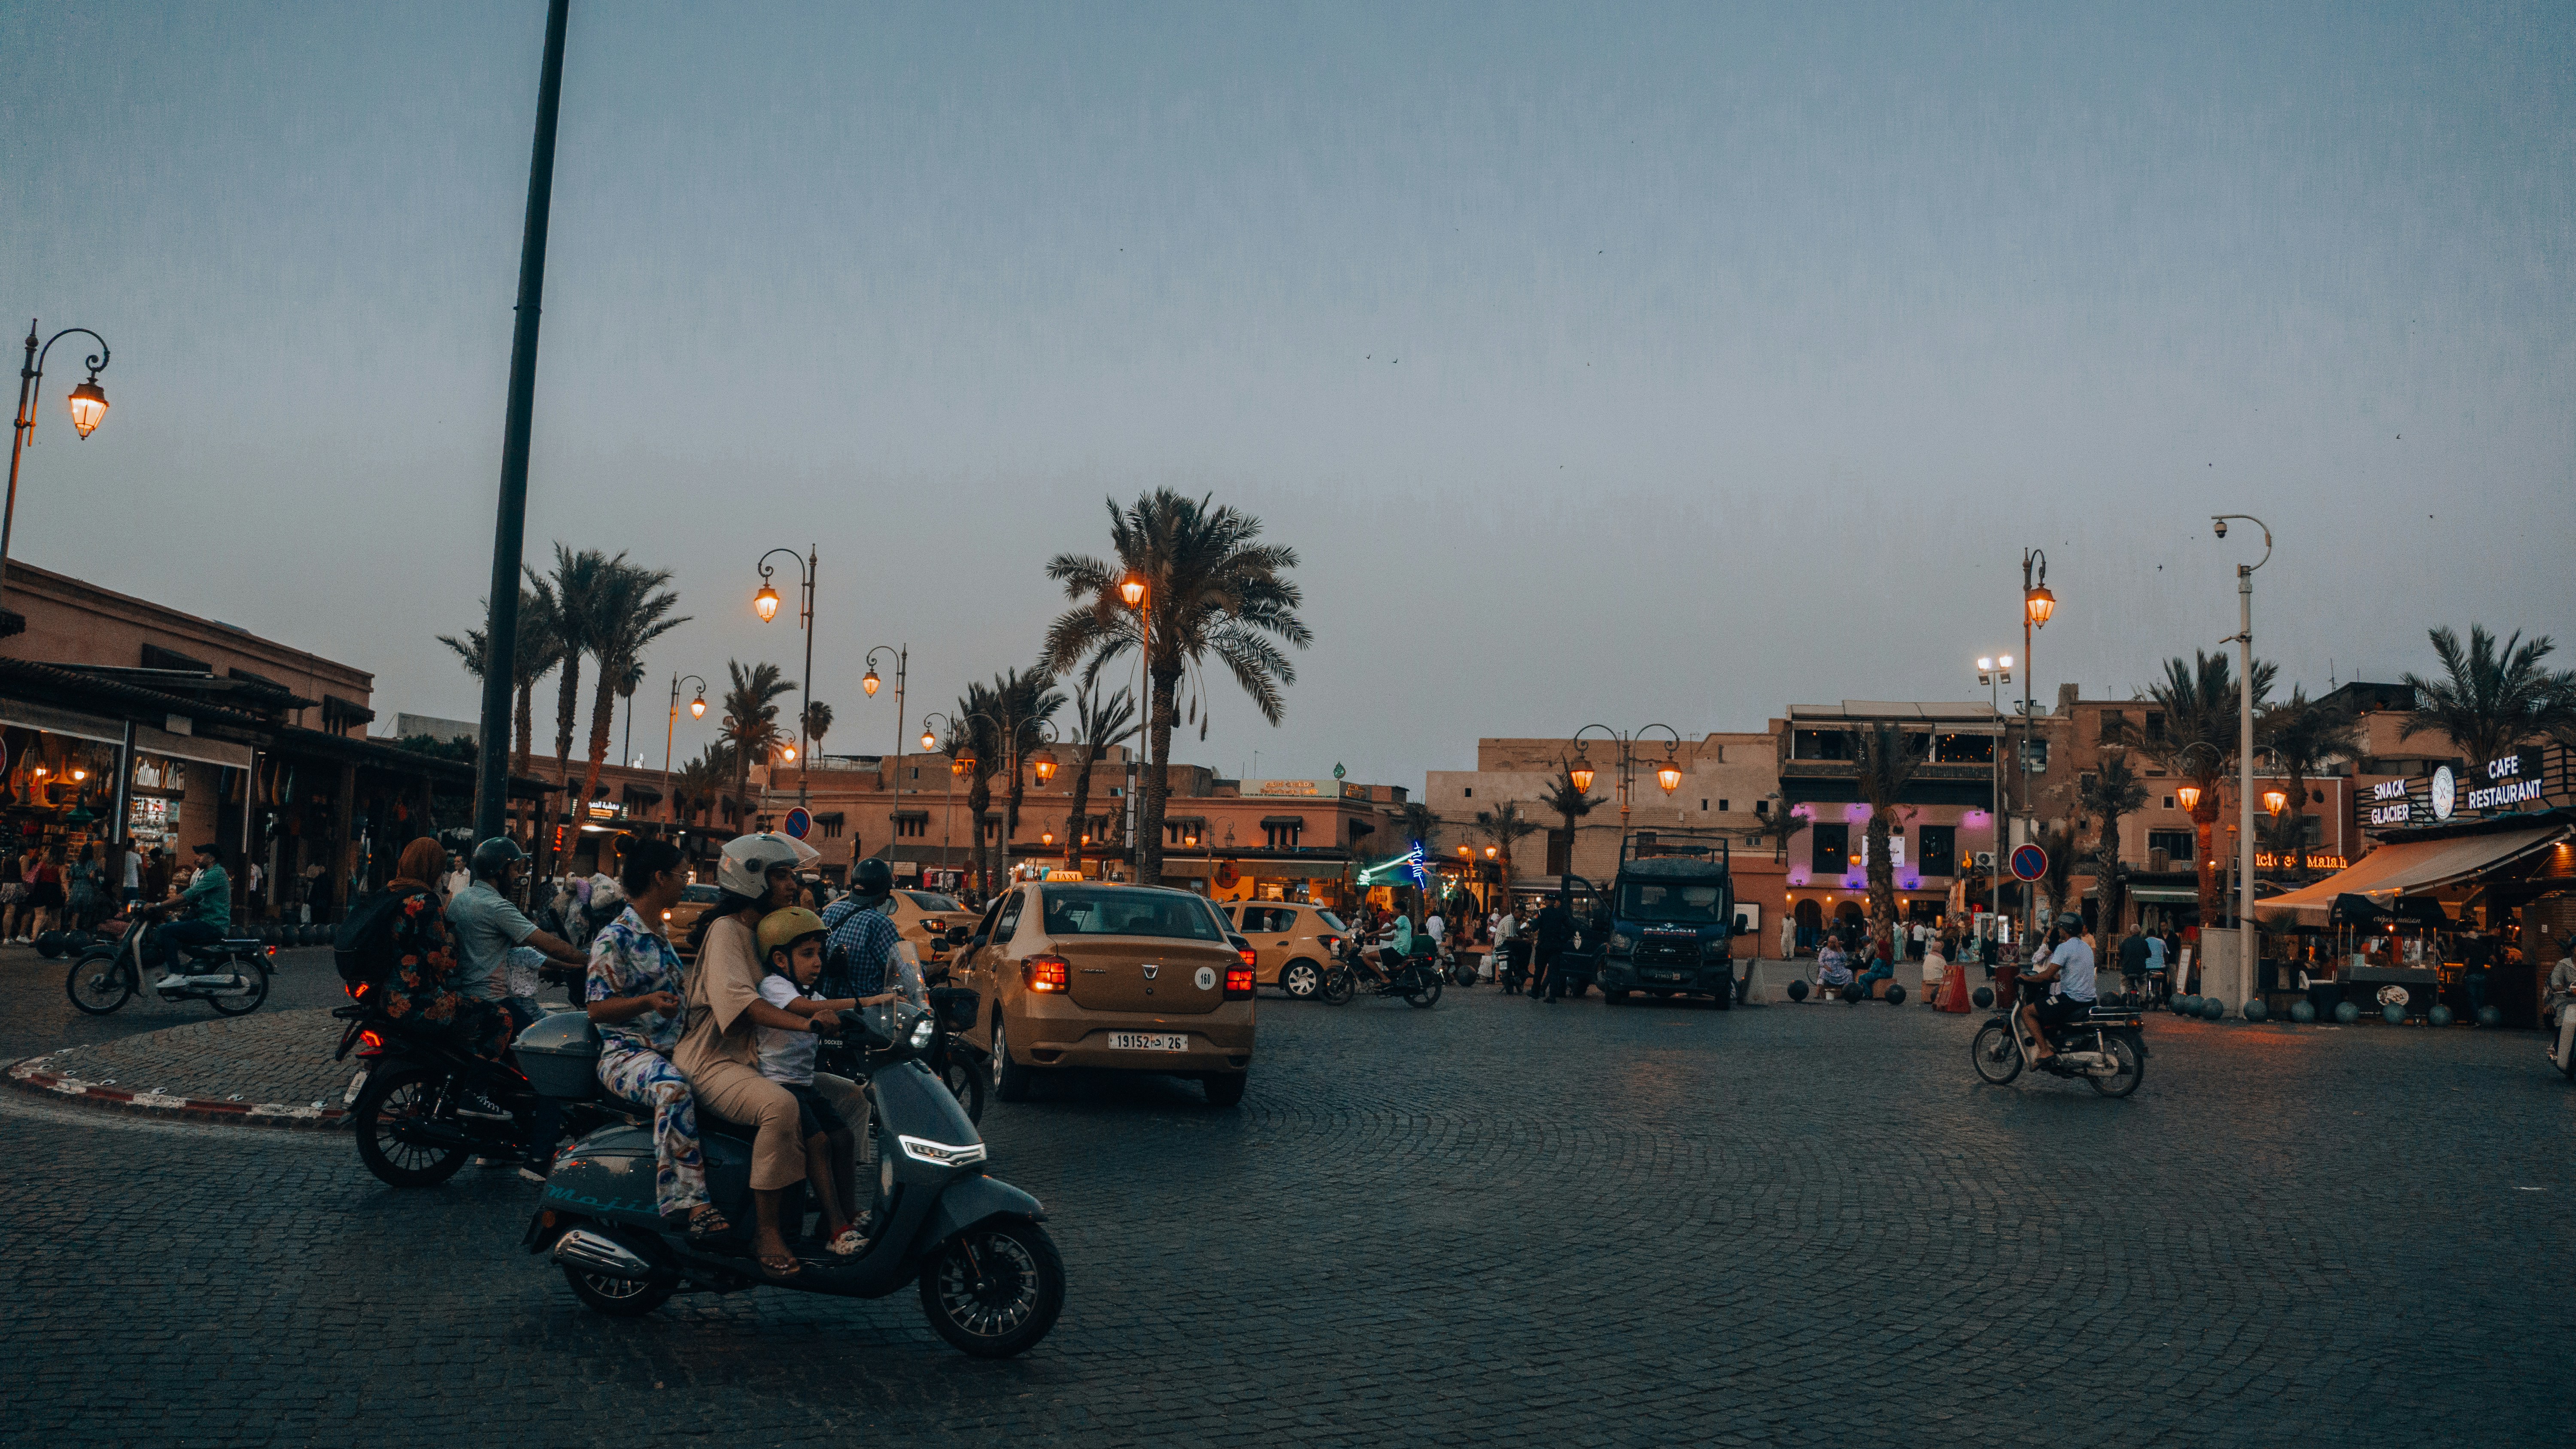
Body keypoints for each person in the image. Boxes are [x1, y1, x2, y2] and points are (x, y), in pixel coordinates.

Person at [674, 832, 833, 1281]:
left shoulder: (763, 931)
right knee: (780, 1106)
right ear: (749, 881)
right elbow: (743, 1005)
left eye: (791, 875)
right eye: (779, 876)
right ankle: (767, 1232)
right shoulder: (728, 931)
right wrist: (807, 1024)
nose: (790, 884)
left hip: (755, 1056)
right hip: (713, 1060)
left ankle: (835, 1215)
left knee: (851, 1100)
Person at [588, 837, 723, 1234]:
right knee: (674, 1090)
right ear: (659, 878)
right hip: (626, 1054)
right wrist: (648, 1001)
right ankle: (690, 1202)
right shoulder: (615, 938)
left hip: (672, 1048)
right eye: (683, 876)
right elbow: (597, 1009)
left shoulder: (659, 932)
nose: (686, 883)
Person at [754, 905, 894, 1257]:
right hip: (779, 1085)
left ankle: (849, 1211)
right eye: (807, 954)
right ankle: (836, 1228)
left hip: (804, 1085)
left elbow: (830, 1010)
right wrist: (868, 1000)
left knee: (843, 1138)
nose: (818, 962)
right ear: (781, 960)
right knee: (818, 1143)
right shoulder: (775, 987)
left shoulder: (809, 992)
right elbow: (803, 1010)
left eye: (820, 954)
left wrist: (872, 1018)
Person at [378, 837, 513, 1062]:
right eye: (440, 870)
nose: (441, 877)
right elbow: (440, 960)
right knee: (502, 1018)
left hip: (388, 995)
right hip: (417, 999)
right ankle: (473, 1085)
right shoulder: (425, 901)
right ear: (430, 869)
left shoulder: (391, 894)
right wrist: (451, 939)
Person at [445, 837, 587, 1035]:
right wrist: (592, 961)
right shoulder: (498, 907)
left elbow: (515, 952)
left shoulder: (460, 900)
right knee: (540, 1037)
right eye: (514, 870)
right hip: (491, 1000)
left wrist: (558, 967)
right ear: (501, 871)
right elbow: (550, 945)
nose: (517, 876)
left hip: (464, 995)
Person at [819, 858, 921, 1007]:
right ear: (883, 892)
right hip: (867, 1010)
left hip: (829, 1002)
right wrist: (926, 971)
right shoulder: (879, 923)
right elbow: (903, 969)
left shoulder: (833, 910)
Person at [2020, 912, 2098, 1066]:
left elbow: (2047, 975)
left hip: (2071, 1000)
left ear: (2065, 929)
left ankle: (2044, 1051)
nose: (2059, 930)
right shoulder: (2087, 948)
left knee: (2027, 1012)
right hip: (2090, 1000)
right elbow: (2068, 974)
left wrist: (2027, 978)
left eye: (2060, 927)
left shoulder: (2064, 948)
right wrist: (2054, 978)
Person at [153, 842, 231, 977]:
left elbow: (189, 894)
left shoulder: (216, 874)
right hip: (205, 920)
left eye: (201, 855)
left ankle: (175, 973)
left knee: (165, 930)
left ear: (211, 858)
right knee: (174, 927)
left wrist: (159, 906)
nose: (198, 858)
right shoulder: (208, 873)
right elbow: (191, 900)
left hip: (212, 924)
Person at [1530, 897, 1574, 1002]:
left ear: (1547, 902)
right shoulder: (1560, 914)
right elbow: (1571, 928)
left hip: (1544, 946)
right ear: (1554, 902)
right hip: (1556, 946)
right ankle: (1552, 996)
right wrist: (1563, 940)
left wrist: (1532, 923)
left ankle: (1535, 992)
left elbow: (1534, 928)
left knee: (1539, 970)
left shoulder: (1541, 912)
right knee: (1554, 972)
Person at [1815, 934, 1855, 998]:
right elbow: (1820, 960)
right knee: (1823, 972)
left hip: (1839, 970)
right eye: (1829, 942)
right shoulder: (1825, 950)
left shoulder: (1840, 949)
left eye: (1832, 943)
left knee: (1849, 972)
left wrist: (1839, 949)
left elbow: (1845, 959)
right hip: (1829, 970)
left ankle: (1848, 992)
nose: (1830, 944)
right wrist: (1826, 967)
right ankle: (1817, 993)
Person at [2118, 923, 2151, 1000]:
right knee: (2143, 984)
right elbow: (2149, 954)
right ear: (2140, 932)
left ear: (2130, 932)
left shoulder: (2126, 942)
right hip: (2141, 970)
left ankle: (2124, 994)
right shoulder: (2144, 942)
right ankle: (2143, 999)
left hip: (2127, 970)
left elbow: (2120, 955)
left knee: (2124, 983)